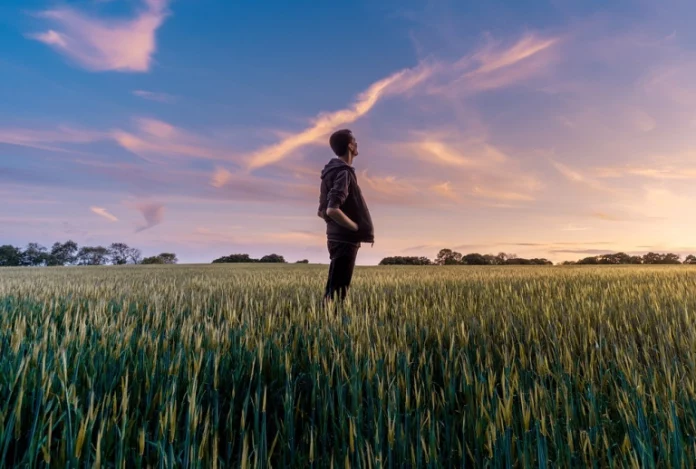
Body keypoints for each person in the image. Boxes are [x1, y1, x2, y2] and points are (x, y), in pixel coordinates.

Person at [317, 129, 374, 305]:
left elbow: (321, 210)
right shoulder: (344, 172)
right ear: (350, 145)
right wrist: (354, 228)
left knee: (334, 288)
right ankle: (329, 326)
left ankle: (325, 323)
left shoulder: (329, 172)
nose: (357, 144)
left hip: (334, 237)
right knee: (338, 293)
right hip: (345, 239)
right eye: (354, 141)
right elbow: (331, 209)